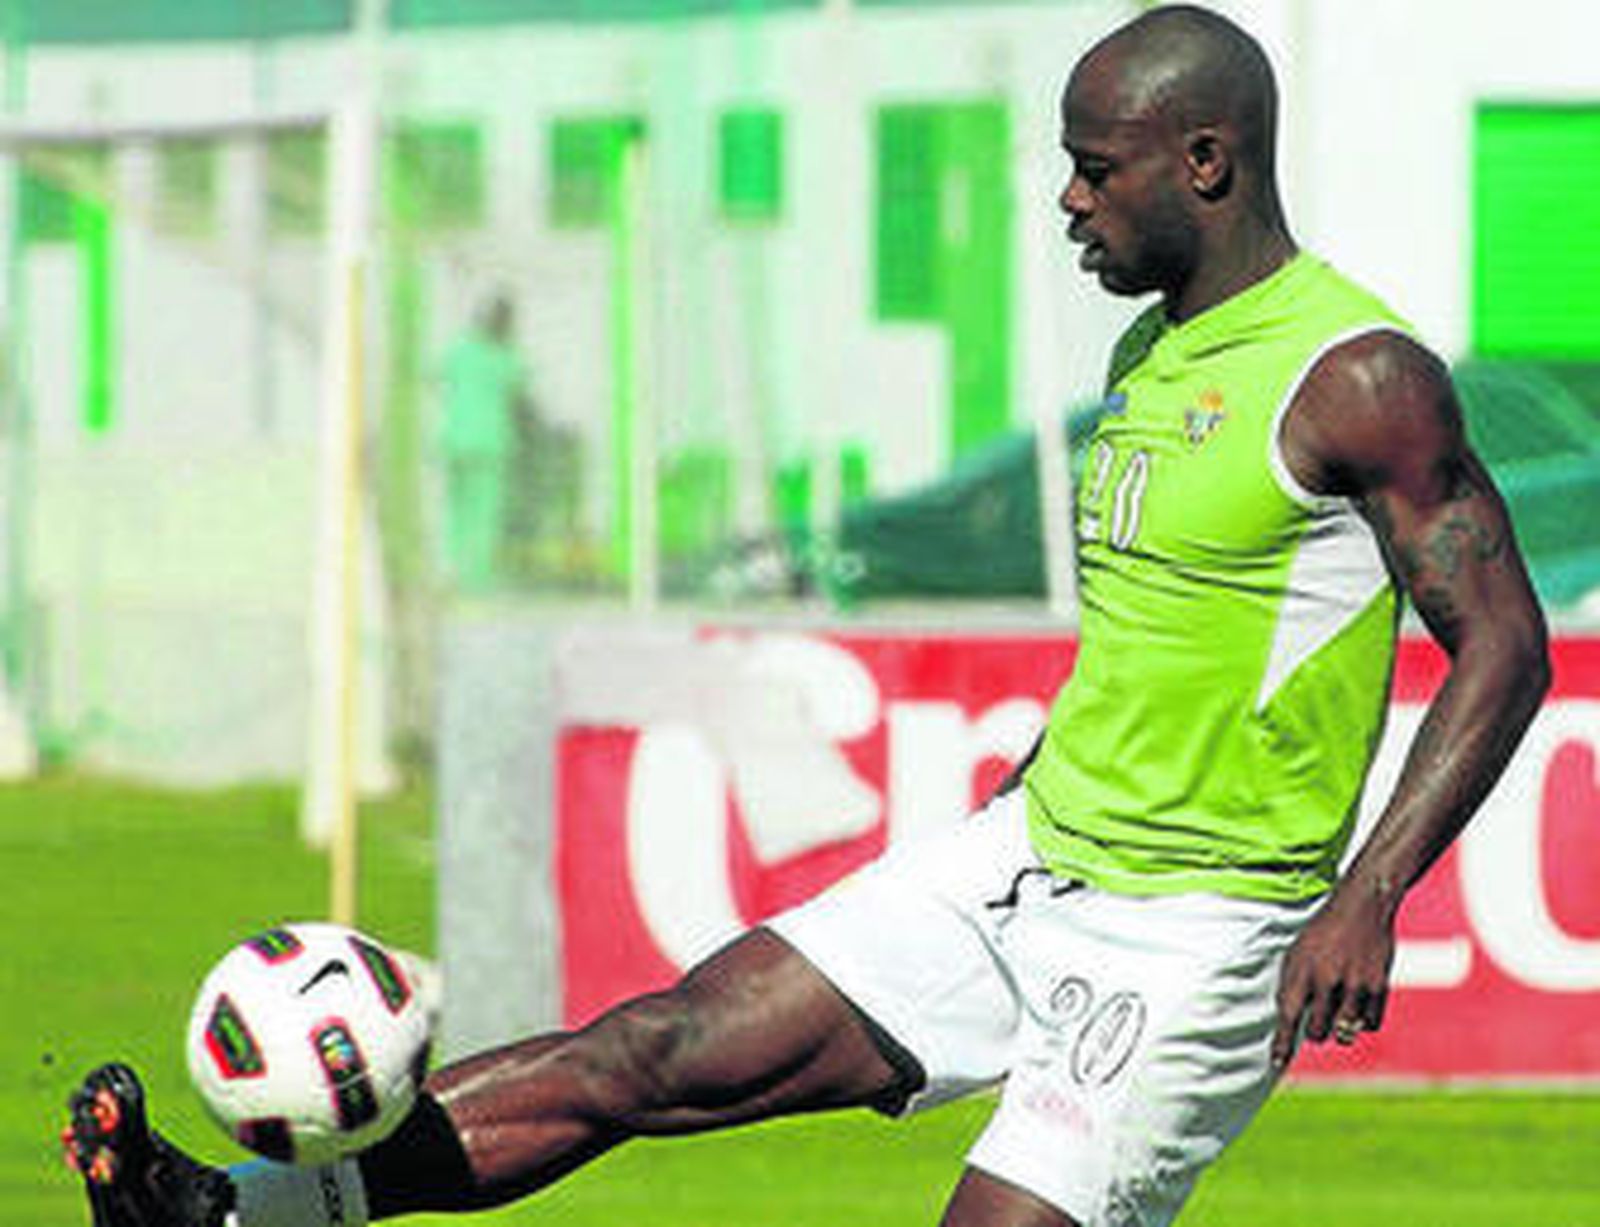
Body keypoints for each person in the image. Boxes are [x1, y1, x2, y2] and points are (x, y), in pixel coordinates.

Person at [64, 7, 1550, 1226]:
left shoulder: (1355, 373)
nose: (1069, 201)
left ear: (1208, 162)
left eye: (1099, 170)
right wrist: (1054, 773)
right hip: (1032, 857)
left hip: (1202, 930)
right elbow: (1177, 618)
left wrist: (1369, 890)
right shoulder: (1150, 353)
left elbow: (1506, 644)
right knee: (655, 1050)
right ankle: (234, 1211)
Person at [437, 293, 527, 594]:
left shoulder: (459, 350)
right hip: (489, 442)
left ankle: (450, 569)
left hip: (454, 438)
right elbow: (519, 391)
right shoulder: (506, 357)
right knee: (482, 512)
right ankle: (475, 578)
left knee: (455, 510)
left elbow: (436, 375)